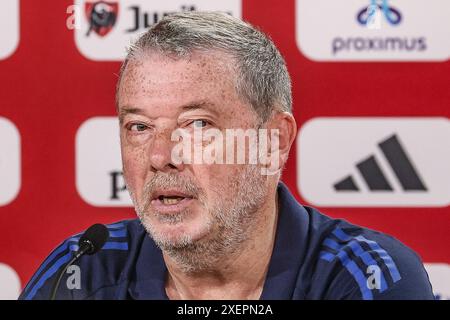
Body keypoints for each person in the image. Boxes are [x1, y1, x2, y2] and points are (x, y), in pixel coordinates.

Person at [20, 12, 434, 300]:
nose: (161, 156)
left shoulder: (368, 279)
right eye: (139, 128)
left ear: (273, 142)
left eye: (197, 125)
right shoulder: (79, 273)